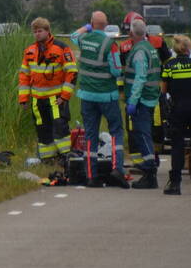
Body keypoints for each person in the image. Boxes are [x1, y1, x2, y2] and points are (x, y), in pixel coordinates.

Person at [71, 11, 128, 188]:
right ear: (106, 25)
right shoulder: (110, 44)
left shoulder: (83, 39)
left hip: (87, 95)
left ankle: (91, 176)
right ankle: (117, 169)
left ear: (91, 23)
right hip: (107, 96)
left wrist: (86, 27)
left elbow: (73, 36)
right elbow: (116, 71)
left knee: (90, 135)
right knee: (116, 132)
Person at [18, 17, 77, 162]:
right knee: (42, 130)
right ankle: (48, 159)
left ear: (47, 31)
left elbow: (72, 73)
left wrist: (64, 97)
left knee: (60, 128)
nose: (37, 34)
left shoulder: (62, 48)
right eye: (35, 32)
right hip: (37, 101)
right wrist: (23, 99)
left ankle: (66, 158)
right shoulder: (29, 51)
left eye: (40, 31)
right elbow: (24, 76)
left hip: (56, 99)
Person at [161, 34, 191, 195]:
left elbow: (164, 90)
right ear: (188, 48)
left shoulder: (169, 66)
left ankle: (175, 184)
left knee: (177, 146)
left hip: (178, 110)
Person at [124, 18, 163, 189]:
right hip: (150, 96)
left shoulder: (139, 51)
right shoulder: (150, 47)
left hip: (142, 99)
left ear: (131, 33)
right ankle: (149, 170)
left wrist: (132, 101)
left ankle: (149, 173)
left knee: (142, 134)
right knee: (144, 133)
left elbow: (140, 78)